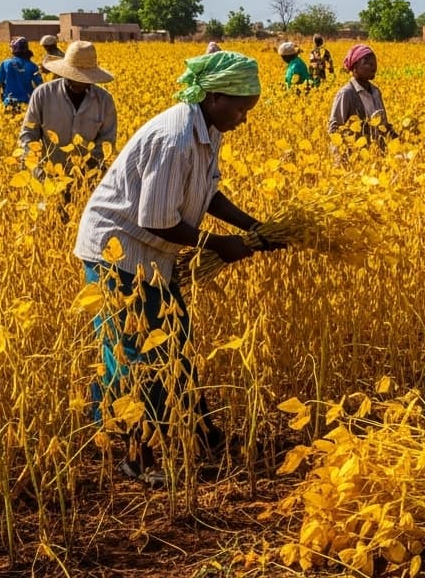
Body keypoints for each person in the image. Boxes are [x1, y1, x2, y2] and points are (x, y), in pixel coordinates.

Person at [74, 50, 283, 482]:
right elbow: (157, 219)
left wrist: (253, 228)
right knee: (137, 354)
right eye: (241, 109)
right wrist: (218, 245)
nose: (243, 119)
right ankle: (137, 455)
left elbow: (208, 193)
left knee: (176, 344)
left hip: (153, 255)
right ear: (214, 97)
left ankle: (201, 433)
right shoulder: (175, 138)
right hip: (119, 254)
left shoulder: (206, 129)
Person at [18, 40, 118, 187]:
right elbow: (28, 134)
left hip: (87, 182)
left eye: (84, 78)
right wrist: (37, 169)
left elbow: (107, 141)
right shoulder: (43, 94)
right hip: (47, 179)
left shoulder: (104, 101)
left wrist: (88, 170)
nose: (79, 82)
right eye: (75, 77)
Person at [327, 43, 395, 147]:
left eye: (373, 61)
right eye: (366, 62)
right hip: (355, 156)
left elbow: (383, 125)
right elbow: (334, 130)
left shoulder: (376, 92)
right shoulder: (346, 94)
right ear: (354, 67)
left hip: (377, 155)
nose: (373, 65)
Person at [0, 37, 42, 113]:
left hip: (9, 102)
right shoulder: (33, 66)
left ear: (13, 49)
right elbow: (39, 85)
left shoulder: (5, 63)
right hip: (27, 104)